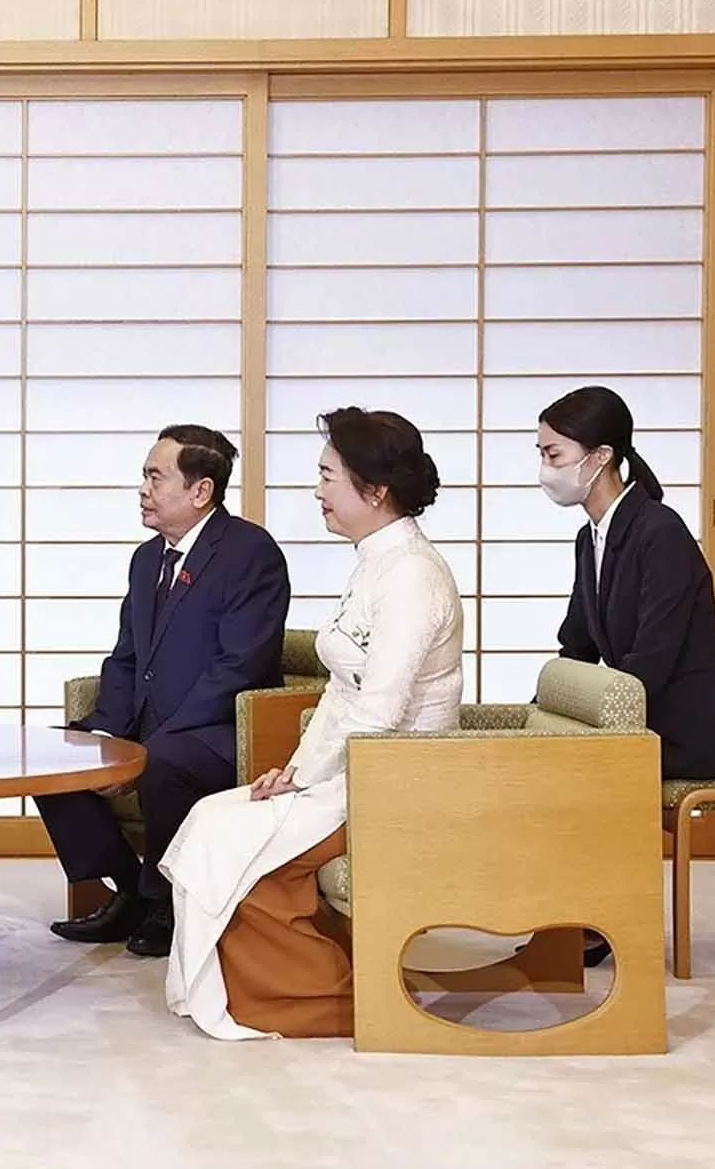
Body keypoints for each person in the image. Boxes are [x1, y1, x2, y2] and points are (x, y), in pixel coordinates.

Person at [161, 407, 461, 1041]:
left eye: (329, 476)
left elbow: (379, 710)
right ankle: (274, 987)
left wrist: (308, 782)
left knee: (237, 842)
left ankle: (323, 998)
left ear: (374, 491)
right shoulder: (375, 561)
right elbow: (339, 696)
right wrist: (296, 771)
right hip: (352, 770)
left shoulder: (412, 574)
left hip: (397, 781)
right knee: (214, 818)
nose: (318, 490)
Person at [35, 425, 290, 958]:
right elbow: (128, 656)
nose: (143, 490)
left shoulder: (250, 553)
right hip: (153, 726)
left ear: (201, 492)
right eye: (144, 477)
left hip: (219, 729)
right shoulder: (148, 558)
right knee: (53, 755)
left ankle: (166, 905)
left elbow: (238, 667)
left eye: (156, 477)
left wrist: (146, 745)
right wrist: (106, 729)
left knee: (162, 762)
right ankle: (128, 888)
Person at [538, 385, 715, 967]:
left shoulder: (660, 533)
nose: (544, 470)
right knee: (547, 760)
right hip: (650, 713)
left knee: (590, 772)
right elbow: (576, 642)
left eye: (553, 455)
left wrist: (596, 729)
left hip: (704, 730)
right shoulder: (592, 537)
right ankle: (567, 915)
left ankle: (597, 921)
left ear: (600, 456)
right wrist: (541, 714)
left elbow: (652, 662)